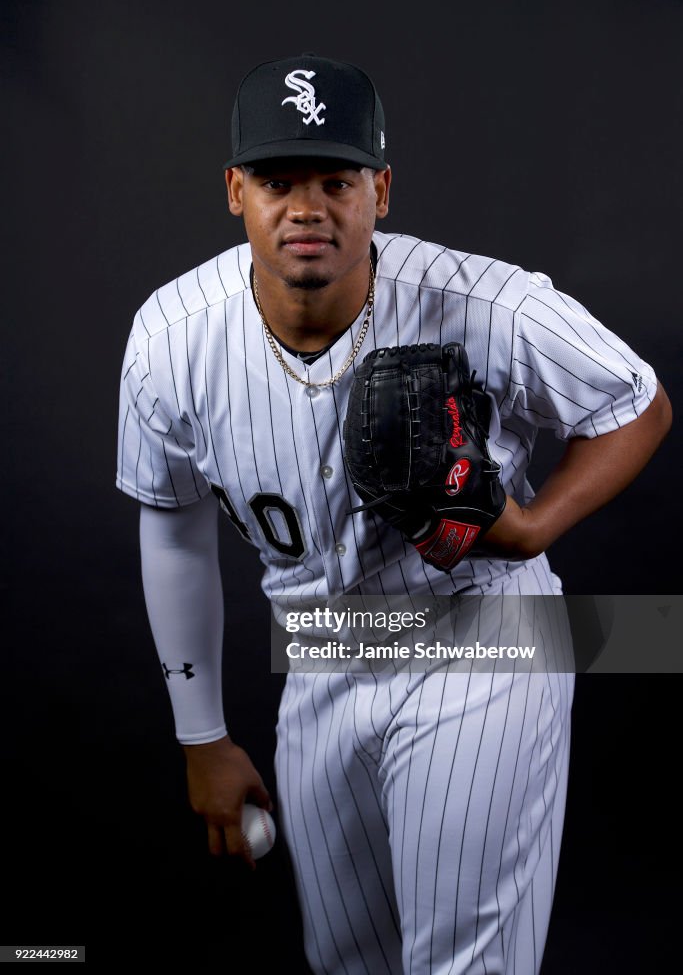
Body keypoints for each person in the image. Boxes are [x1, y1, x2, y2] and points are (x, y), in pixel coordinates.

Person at [116, 53, 672, 974]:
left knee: (463, 961)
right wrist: (201, 735)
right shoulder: (171, 339)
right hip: (322, 654)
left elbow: (636, 403)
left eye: (337, 180)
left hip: (483, 637)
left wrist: (532, 526)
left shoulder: (482, 302)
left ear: (381, 190)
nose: (307, 208)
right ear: (232, 190)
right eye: (276, 180)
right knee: (347, 959)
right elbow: (171, 525)